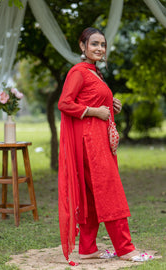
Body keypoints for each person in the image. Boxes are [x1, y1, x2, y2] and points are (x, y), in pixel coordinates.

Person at [58, 27, 153, 264]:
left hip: (97, 142)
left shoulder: (94, 73)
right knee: (111, 193)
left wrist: (111, 106)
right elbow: (64, 103)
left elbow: (94, 102)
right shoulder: (79, 72)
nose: (99, 48)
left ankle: (88, 248)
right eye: (94, 44)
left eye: (102, 45)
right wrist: (93, 111)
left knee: (92, 197)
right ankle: (125, 248)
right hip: (90, 145)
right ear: (82, 46)